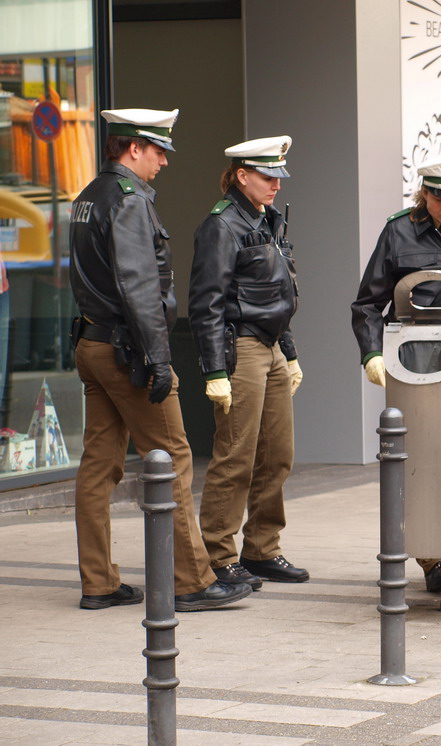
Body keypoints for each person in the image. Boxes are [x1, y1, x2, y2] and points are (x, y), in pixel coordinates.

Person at [69, 108, 251, 612]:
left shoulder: (89, 196)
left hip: (94, 344)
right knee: (173, 456)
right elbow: (138, 287)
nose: (165, 161)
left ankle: (99, 581)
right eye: (158, 150)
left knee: (99, 465)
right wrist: (157, 360)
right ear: (133, 149)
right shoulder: (128, 201)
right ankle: (191, 580)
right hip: (128, 349)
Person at [350, 153, 441, 592]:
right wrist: (371, 353)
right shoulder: (399, 230)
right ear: (424, 193)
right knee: (421, 460)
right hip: (418, 358)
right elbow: (368, 303)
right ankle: (430, 556)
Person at [189, 136, 306, 588]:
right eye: (266, 176)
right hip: (241, 348)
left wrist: (290, 353)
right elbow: (206, 302)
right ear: (241, 176)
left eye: (278, 175)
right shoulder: (222, 225)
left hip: (272, 345)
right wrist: (215, 369)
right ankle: (219, 555)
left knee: (278, 455)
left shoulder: (268, 219)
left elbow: (280, 294)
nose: (276, 184)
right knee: (236, 455)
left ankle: (262, 548)